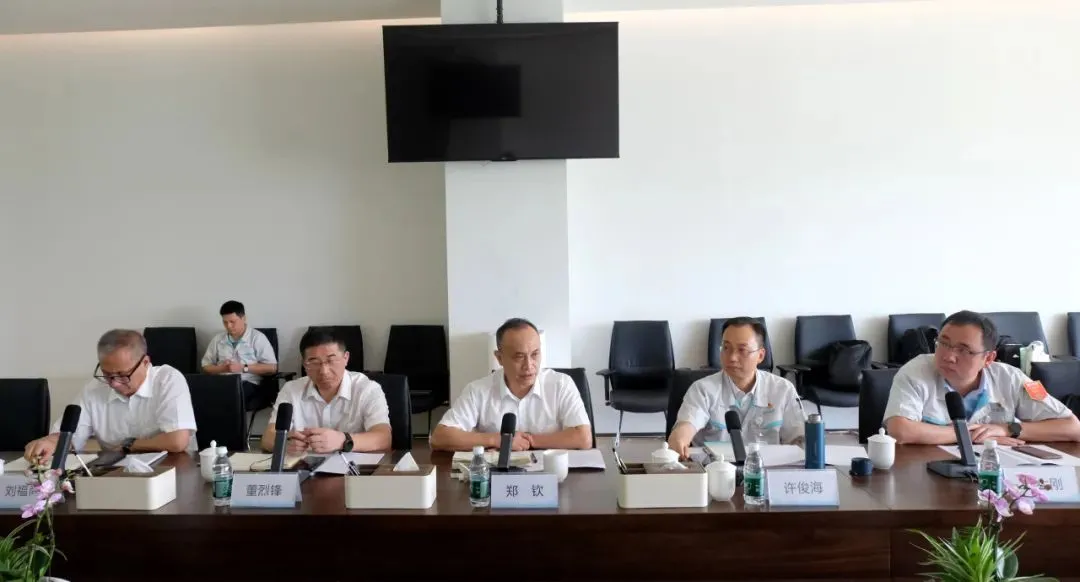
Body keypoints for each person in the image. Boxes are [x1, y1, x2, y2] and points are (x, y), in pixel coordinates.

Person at [884, 310, 1080, 445]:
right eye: (943, 343)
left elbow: (1073, 427)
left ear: (988, 358)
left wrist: (1007, 429)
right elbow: (900, 431)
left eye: (963, 350)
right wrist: (971, 435)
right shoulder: (916, 371)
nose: (948, 356)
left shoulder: (1011, 378)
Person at [24, 329, 198, 463]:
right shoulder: (94, 389)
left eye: (123, 375)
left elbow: (177, 441)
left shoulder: (168, 379)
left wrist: (129, 444)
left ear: (145, 363)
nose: (114, 384)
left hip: (172, 469)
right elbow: (70, 436)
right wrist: (51, 442)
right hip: (115, 473)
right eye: (107, 374)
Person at [430, 318, 592, 452]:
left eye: (535, 354)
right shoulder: (478, 391)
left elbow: (583, 438)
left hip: (552, 474)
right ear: (499, 358)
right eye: (519, 357)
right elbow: (440, 437)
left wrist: (530, 440)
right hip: (496, 476)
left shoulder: (561, 384)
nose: (529, 365)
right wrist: (497, 439)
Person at [667, 317, 805, 458]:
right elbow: (686, 426)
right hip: (715, 469)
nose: (732, 357)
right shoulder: (702, 390)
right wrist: (679, 438)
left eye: (742, 350)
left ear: (760, 355)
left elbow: (801, 440)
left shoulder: (783, 390)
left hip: (768, 468)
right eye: (726, 348)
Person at [261, 327, 391, 455]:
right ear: (305, 364)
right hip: (305, 466)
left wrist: (343, 440)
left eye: (331, 360)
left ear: (346, 358)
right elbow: (267, 438)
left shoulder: (367, 389)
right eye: (314, 362)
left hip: (352, 466)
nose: (324, 371)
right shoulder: (291, 390)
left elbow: (384, 439)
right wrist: (285, 442)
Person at [201, 300, 278, 403]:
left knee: (228, 397)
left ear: (243, 318)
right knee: (200, 393)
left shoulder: (257, 338)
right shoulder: (218, 339)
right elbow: (206, 367)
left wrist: (243, 367)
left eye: (232, 321)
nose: (228, 326)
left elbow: (272, 368)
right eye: (225, 322)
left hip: (248, 384)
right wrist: (223, 369)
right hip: (222, 383)